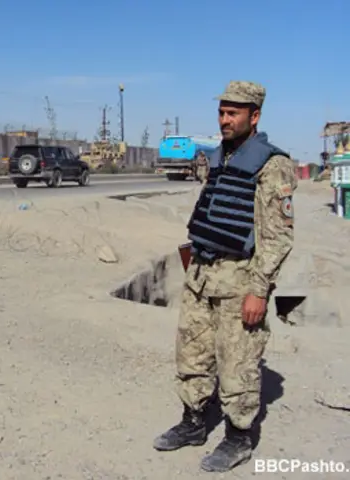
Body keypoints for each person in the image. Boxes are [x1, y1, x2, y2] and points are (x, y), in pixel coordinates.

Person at [152, 81, 297, 472]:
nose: (225, 119)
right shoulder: (219, 157)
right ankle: (193, 423)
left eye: (233, 113)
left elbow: (277, 237)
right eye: (221, 112)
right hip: (201, 275)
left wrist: (259, 290)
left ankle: (238, 437)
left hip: (239, 280)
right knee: (192, 353)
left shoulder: (272, 164)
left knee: (238, 361)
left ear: (255, 116)